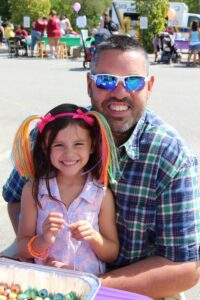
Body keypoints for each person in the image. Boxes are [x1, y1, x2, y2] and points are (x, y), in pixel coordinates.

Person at [2, 35, 200, 299]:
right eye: (106, 80)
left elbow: (185, 268)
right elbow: (16, 199)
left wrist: (83, 285)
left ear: (149, 86)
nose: (119, 93)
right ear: (89, 84)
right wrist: (41, 247)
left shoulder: (171, 157)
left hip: (133, 285)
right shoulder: (51, 134)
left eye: (133, 82)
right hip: (49, 272)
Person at [12, 103, 119, 273]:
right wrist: (43, 240)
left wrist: (94, 237)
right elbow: (23, 247)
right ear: (45, 148)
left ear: (92, 146)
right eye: (58, 145)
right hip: (45, 284)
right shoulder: (33, 191)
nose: (69, 154)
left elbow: (111, 253)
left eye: (78, 144)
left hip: (88, 287)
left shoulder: (101, 195)